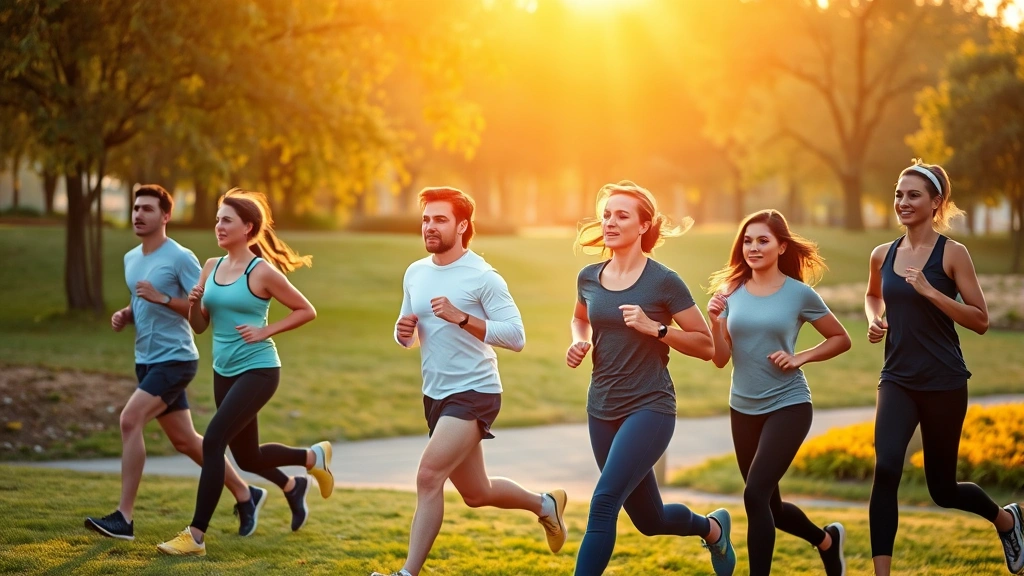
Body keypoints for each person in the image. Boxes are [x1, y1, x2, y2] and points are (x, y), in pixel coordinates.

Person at [370, 186, 567, 576]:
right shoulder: (416, 272)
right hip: (436, 394)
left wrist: (462, 317)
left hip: (475, 391)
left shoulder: (483, 277)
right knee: (477, 494)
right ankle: (546, 505)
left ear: (462, 225)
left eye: (440, 219)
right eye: (426, 219)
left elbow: (516, 336)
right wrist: (402, 331)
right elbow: (409, 336)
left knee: (428, 476)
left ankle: (407, 573)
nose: (430, 226)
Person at [567, 180, 735, 576]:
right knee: (650, 520)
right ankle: (712, 528)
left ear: (644, 226)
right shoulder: (589, 276)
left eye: (621, 215)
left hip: (650, 406)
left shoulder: (663, 281)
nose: (609, 222)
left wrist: (656, 329)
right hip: (601, 407)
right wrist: (580, 341)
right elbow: (579, 318)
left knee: (604, 500)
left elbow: (706, 345)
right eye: (606, 214)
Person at [864, 161, 1023, 576]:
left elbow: (981, 320)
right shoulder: (883, 254)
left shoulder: (953, 253)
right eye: (899, 194)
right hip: (896, 378)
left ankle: (1007, 520)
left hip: (944, 381)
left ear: (936, 203)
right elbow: (872, 294)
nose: (903, 202)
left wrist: (930, 291)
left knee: (942, 488)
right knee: (886, 468)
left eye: (913, 195)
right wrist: (875, 317)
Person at [157, 189, 334, 556]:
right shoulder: (211, 266)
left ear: (248, 228)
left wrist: (265, 331)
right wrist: (192, 306)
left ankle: (195, 536)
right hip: (224, 370)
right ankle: (311, 460)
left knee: (212, 440)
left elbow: (306, 310)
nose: (218, 226)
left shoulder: (262, 272)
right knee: (248, 457)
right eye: (218, 219)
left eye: (227, 220)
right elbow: (201, 327)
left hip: (259, 369)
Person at [85, 185, 264, 541]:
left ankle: (125, 517)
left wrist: (162, 297)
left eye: (147, 209)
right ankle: (247, 493)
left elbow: (201, 309)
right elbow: (141, 301)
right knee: (185, 441)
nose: (138, 215)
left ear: (165, 216)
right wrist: (127, 312)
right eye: (135, 208)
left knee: (129, 419)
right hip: (146, 359)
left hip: (176, 359)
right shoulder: (131, 258)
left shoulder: (181, 257)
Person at [706, 209, 852, 576]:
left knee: (754, 495)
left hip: (789, 404)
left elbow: (840, 339)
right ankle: (827, 541)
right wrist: (715, 322)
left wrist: (799, 357)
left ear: (781, 245)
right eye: (748, 240)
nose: (753, 247)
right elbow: (721, 360)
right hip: (742, 408)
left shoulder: (798, 293)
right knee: (769, 505)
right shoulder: (730, 292)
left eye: (763, 240)